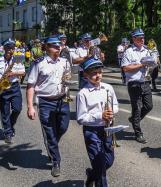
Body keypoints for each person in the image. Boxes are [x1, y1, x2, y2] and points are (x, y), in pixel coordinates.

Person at [26, 36, 71, 177]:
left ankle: (51, 145)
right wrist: (30, 106)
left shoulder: (65, 62)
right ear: (46, 47)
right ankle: (56, 161)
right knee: (50, 133)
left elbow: (67, 80)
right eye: (55, 46)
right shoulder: (38, 63)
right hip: (45, 102)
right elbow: (31, 85)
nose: (58, 48)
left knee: (63, 127)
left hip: (62, 100)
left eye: (59, 46)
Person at [77, 57, 118, 187]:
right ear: (86, 75)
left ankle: (91, 175)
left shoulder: (108, 88)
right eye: (93, 73)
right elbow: (81, 118)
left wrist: (112, 111)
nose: (97, 75)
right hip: (92, 131)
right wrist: (100, 115)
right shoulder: (83, 93)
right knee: (100, 166)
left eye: (99, 72)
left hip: (107, 129)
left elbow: (115, 105)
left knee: (109, 161)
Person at [121, 28, 154, 144]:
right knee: (137, 108)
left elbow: (150, 64)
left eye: (143, 37)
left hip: (145, 81)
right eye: (139, 38)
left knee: (149, 106)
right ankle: (138, 133)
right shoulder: (128, 52)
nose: (142, 39)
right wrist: (141, 65)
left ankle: (135, 120)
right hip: (134, 83)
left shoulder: (147, 51)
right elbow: (125, 68)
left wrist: (152, 66)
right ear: (134, 39)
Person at [0, 38, 25, 144]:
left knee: (17, 109)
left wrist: (12, 74)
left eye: (12, 47)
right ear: (4, 48)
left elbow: (23, 72)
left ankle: (10, 124)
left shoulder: (17, 59)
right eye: (9, 48)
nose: (11, 50)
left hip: (14, 87)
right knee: (5, 112)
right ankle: (8, 133)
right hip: (3, 88)